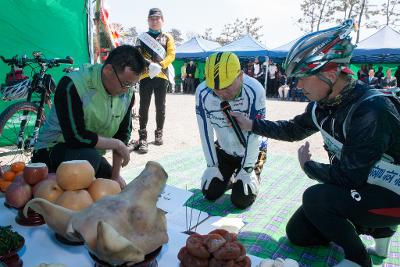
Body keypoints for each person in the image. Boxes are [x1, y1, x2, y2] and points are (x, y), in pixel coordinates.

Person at [232, 19, 400, 267]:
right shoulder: (322, 104)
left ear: (331, 74)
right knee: (298, 234)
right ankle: (373, 232)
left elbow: (348, 178)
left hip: (391, 198)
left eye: (302, 78)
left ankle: (359, 259)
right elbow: (292, 129)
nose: (296, 86)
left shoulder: (372, 110)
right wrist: (252, 124)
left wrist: (309, 166)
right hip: (363, 187)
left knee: (316, 198)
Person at [31, 45, 146, 189]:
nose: (126, 90)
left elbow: (122, 135)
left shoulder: (128, 94)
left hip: (89, 154)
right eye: (125, 84)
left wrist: (115, 176)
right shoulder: (72, 84)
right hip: (51, 150)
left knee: (115, 185)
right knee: (88, 160)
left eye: (132, 85)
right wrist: (117, 144)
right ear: (108, 70)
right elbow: (76, 137)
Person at [195, 51, 267, 209]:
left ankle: (249, 175)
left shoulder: (255, 90)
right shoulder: (202, 92)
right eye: (215, 88)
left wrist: (248, 168)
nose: (221, 93)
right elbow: (205, 131)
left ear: (240, 76)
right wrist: (211, 165)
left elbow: (256, 133)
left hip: (251, 149)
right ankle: (231, 177)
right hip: (224, 149)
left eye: (226, 87)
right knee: (210, 192)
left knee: (241, 200)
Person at [135, 8, 176, 153]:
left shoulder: (168, 37)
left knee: (161, 107)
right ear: (148, 20)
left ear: (162, 20)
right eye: (151, 19)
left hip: (162, 76)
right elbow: (138, 55)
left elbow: (171, 55)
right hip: (146, 75)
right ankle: (143, 136)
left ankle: (159, 132)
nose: (154, 21)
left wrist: (160, 65)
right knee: (143, 107)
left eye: (157, 18)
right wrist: (149, 65)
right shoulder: (142, 37)